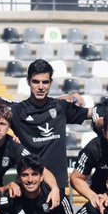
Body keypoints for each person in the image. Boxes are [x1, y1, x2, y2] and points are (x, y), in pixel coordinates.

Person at [9, 58, 91, 189]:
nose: (41, 87)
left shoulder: (61, 108)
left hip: (57, 188)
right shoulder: (17, 111)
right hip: (28, 187)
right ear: (28, 82)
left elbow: (94, 113)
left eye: (45, 82)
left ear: (51, 82)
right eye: (36, 82)